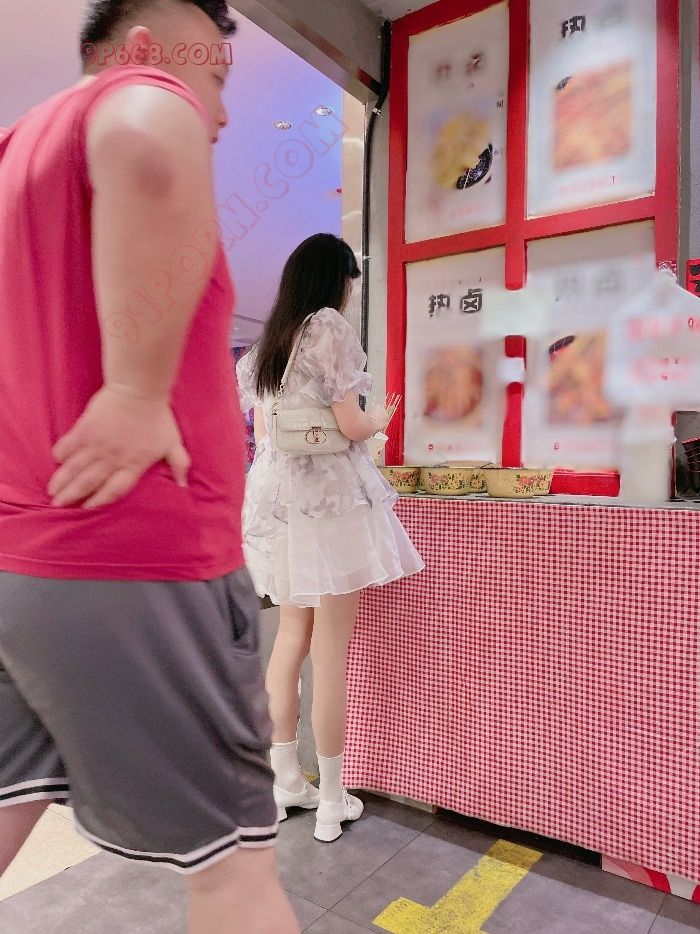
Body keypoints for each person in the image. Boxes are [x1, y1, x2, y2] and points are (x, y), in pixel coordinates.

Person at [0, 2, 299, 932]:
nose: (218, 111)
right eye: (212, 78)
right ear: (140, 50)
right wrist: (134, 390)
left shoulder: (12, 153)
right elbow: (148, 127)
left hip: (24, 562)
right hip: (138, 560)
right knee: (235, 871)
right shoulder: (137, 97)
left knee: (8, 803)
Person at [237, 234, 424, 843]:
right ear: (335, 280)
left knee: (290, 639)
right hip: (332, 507)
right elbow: (349, 424)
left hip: (284, 508)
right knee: (331, 649)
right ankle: (332, 799)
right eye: (350, 282)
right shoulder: (328, 329)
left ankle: (285, 783)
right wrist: (379, 420)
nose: (350, 293)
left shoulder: (266, 348)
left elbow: (268, 435)